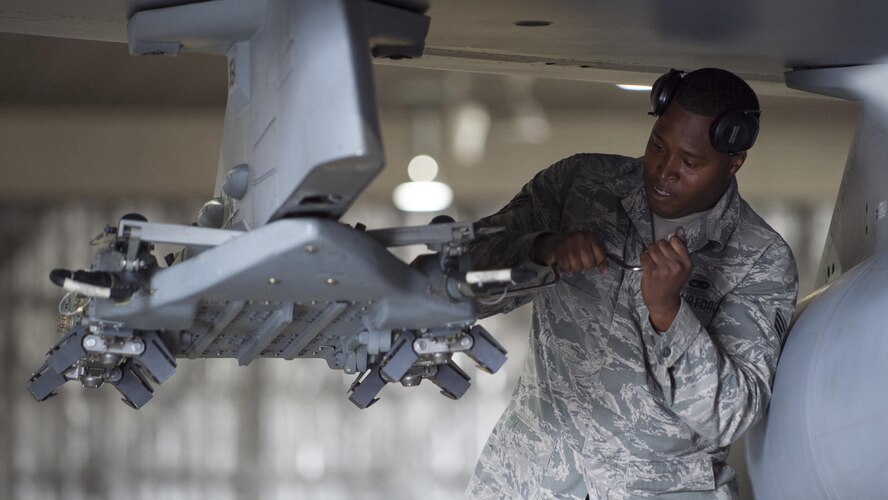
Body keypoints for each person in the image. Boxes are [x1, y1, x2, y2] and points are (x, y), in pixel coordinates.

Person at [464, 68, 799, 499]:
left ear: (734, 161)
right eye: (658, 145)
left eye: (690, 162)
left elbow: (731, 415)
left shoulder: (760, 258)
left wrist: (669, 315)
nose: (665, 170)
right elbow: (459, 283)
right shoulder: (579, 186)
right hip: (528, 478)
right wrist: (541, 250)